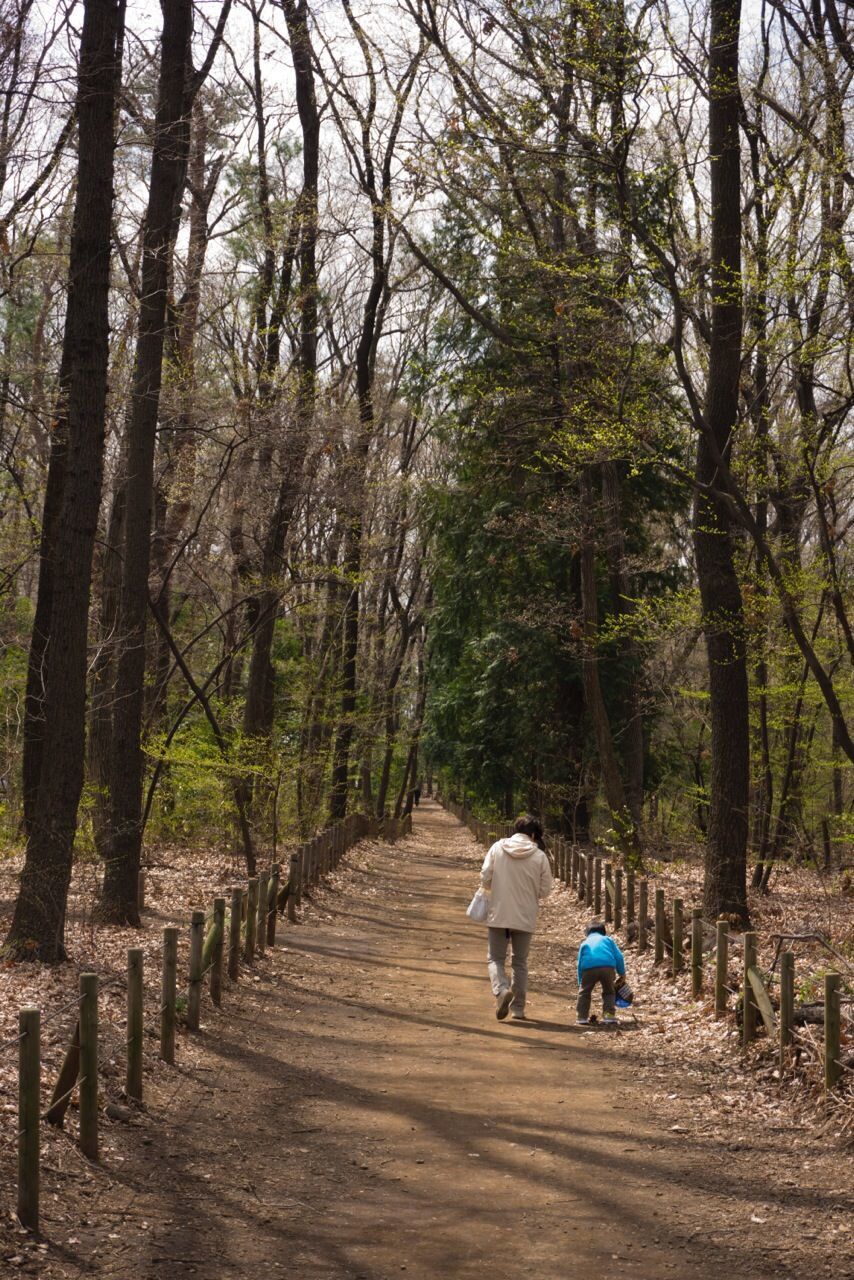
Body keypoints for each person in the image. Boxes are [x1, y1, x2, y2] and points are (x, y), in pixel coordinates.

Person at [480, 814, 553, 1021]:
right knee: (520, 962)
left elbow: (485, 876)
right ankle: (518, 1009)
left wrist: (493, 887)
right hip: (525, 916)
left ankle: (502, 990)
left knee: (495, 958)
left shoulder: (497, 848)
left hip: (499, 914)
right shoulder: (539, 857)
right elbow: (545, 890)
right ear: (532, 835)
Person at [576, 921, 626, 1026]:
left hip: (588, 968)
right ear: (604, 932)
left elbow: (580, 963)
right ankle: (608, 1016)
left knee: (584, 992)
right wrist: (622, 973)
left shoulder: (585, 943)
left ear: (587, 933)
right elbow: (619, 957)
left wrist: (580, 980)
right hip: (607, 967)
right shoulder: (608, 940)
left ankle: (582, 1017)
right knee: (609, 991)